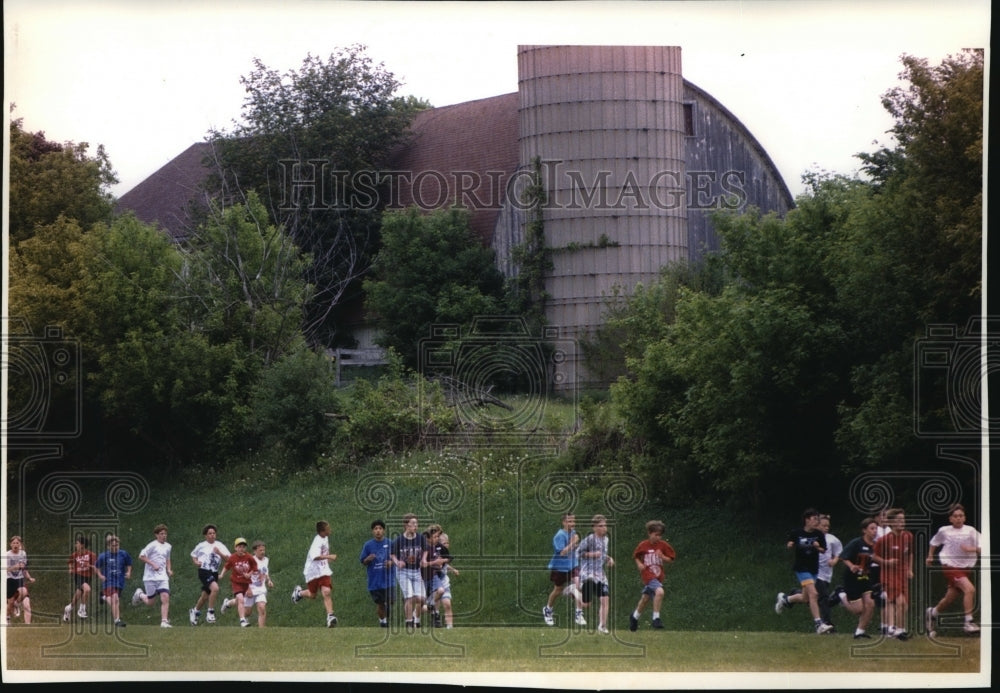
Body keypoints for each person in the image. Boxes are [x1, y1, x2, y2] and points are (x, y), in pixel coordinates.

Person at [925, 503, 981, 636]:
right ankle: (968, 622)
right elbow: (934, 542)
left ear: (965, 517)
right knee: (970, 589)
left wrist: (970, 549)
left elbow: (984, 546)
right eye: (955, 516)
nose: (958, 518)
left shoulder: (971, 531)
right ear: (950, 519)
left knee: (950, 598)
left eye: (961, 516)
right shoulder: (944, 530)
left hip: (965, 567)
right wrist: (930, 556)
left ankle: (932, 613)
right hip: (949, 566)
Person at [774, 508, 833, 634]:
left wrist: (818, 547)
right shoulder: (797, 532)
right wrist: (790, 545)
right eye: (814, 519)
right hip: (801, 568)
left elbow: (823, 550)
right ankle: (819, 624)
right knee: (814, 594)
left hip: (813, 568)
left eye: (818, 519)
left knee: (806, 597)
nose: (817, 521)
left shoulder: (819, 534)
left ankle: (785, 599)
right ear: (807, 520)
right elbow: (790, 542)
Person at [833, 517, 879, 639]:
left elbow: (875, 559)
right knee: (858, 610)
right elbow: (843, 556)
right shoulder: (856, 543)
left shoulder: (875, 545)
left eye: (876, 528)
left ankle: (860, 632)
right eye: (872, 528)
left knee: (870, 604)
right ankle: (841, 595)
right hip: (852, 579)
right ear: (864, 530)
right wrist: (852, 566)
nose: (875, 531)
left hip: (865, 578)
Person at [873, 507, 914, 640]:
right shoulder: (884, 540)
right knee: (900, 601)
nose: (902, 522)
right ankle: (898, 630)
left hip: (902, 574)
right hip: (888, 575)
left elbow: (910, 553)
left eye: (903, 519)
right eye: (898, 520)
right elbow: (874, 557)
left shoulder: (908, 536)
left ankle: (898, 630)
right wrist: (887, 562)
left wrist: (909, 569)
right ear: (891, 522)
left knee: (905, 604)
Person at [628, 519, 675, 631]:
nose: (658, 537)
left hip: (658, 575)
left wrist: (662, 557)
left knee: (645, 598)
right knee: (660, 592)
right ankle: (656, 618)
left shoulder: (663, 545)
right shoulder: (643, 545)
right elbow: (636, 556)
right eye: (656, 535)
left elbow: (671, 559)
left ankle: (634, 617)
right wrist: (639, 564)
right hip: (648, 575)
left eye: (660, 535)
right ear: (649, 533)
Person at [291, 520, 338, 627]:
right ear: (322, 531)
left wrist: (327, 560)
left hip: (323, 570)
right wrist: (329, 556)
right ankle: (299, 593)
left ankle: (330, 616)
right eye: (328, 529)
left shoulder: (325, 537)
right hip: (312, 571)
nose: (330, 530)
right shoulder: (317, 541)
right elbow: (315, 556)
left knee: (326, 591)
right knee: (312, 595)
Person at [543, 513, 586, 627]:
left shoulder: (573, 533)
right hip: (560, 566)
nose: (572, 524)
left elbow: (573, 549)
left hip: (573, 565)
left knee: (578, 585)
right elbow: (562, 553)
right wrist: (573, 543)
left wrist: (579, 547)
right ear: (564, 522)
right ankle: (548, 610)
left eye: (573, 521)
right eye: (569, 521)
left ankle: (579, 614)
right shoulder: (559, 535)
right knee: (557, 590)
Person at [391, 513, 430, 630]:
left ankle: (414, 615)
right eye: (413, 523)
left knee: (422, 598)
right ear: (406, 525)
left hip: (416, 571)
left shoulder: (420, 538)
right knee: (409, 596)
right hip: (403, 571)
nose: (415, 526)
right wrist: (397, 562)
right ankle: (409, 622)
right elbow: (392, 554)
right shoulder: (399, 540)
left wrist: (423, 559)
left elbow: (425, 550)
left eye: (416, 523)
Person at [578, 514, 614, 634]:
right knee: (586, 604)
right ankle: (574, 590)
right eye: (601, 526)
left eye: (605, 525)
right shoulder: (589, 540)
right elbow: (578, 553)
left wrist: (609, 559)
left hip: (600, 574)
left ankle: (602, 626)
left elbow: (602, 554)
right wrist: (591, 554)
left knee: (605, 599)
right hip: (588, 573)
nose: (604, 528)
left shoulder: (606, 540)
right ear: (594, 527)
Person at [132, 523, 174, 627]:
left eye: (165, 534)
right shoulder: (152, 545)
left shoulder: (168, 546)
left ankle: (164, 621)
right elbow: (141, 556)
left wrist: (169, 569)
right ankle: (140, 595)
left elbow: (168, 559)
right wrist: (153, 564)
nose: (164, 536)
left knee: (165, 597)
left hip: (162, 577)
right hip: (150, 577)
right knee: (150, 602)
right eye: (161, 534)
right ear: (156, 535)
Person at [189, 524, 230, 626]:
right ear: (205, 535)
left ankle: (195, 611)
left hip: (214, 572)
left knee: (205, 596)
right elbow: (193, 555)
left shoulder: (220, 545)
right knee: (215, 588)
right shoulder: (201, 545)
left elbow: (228, 560)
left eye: (214, 533)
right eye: (210, 533)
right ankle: (210, 612)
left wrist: (219, 553)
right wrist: (196, 562)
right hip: (204, 570)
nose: (212, 535)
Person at [359, 519, 395, 627]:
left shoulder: (390, 543)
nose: (378, 531)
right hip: (375, 581)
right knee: (380, 604)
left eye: (380, 528)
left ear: (383, 530)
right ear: (372, 531)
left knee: (391, 600)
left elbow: (397, 559)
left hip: (388, 579)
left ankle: (387, 607)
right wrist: (368, 559)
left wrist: (391, 562)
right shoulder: (368, 545)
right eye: (375, 529)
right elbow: (363, 561)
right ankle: (383, 622)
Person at [96, 534, 133, 628]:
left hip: (119, 581)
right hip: (108, 581)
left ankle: (104, 597)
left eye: (117, 545)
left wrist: (128, 572)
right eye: (113, 546)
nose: (115, 547)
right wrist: (100, 575)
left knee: (115, 600)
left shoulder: (123, 554)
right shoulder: (103, 556)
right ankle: (117, 620)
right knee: (115, 598)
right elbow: (96, 567)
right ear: (108, 546)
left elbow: (129, 563)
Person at [64, 535, 103, 622]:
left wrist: (89, 565)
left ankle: (68, 608)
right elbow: (70, 562)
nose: (75, 545)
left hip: (87, 577)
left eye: (77, 543)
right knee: (87, 589)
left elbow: (96, 567)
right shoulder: (75, 554)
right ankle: (82, 610)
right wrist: (70, 569)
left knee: (78, 595)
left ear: (82, 545)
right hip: (78, 575)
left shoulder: (91, 555)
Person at [219, 537, 257, 627]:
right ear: (235, 548)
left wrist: (249, 574)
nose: (241, 549)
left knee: (238, 601)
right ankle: (243, 620)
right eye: (239, 547)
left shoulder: (249, 557)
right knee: (241, 599)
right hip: (236, 582)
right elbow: (226, 566)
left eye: (243, 547)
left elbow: (254, 567)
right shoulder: (232, 557)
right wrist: (221, 574)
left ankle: (227, 603)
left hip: (245, 583)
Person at [816, 514, 842, 631]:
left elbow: (839, 553)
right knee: (824, 597)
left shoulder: (832, 539)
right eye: (824, 525)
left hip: (827, 574)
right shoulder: (812, 538)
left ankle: (790, 597)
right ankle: (827, 623)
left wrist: (834, 561)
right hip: (815, 573)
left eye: (828, 526)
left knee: (814, 599)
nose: (826, 528)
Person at [239, 540, 273, 627]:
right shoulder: (250, 560)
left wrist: (269, 580)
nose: (263, 552)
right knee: (247, 612)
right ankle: (229, 603)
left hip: (261, 589)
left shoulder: (266, 560)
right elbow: (244, 576)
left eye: (263, 550)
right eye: (260, 550)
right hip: (251, 589)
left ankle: (261, 632)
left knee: (262, 608)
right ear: (255, 551)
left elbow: (265, 572)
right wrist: (248, 589)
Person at [429, 532, 459, 628]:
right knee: (425, 607)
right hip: (434, 580)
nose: (446, 545)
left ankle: (449, 627)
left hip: (444, 581)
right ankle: (417, 616)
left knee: (447, 604)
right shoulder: (433, 552)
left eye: (447, 543)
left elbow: (446, 564)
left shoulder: (444, 553)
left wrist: (453, 570)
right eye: (443, 543)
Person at [6, 535, 35, 625]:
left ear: (20, 544)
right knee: (10, 602)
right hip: (10, 579)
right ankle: (7, 618)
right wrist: (16, 566)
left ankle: (16, 604)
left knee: (24, 591)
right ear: (10, 544)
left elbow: (24, 568)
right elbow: (6, 569)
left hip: (19, 578)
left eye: (17, 543)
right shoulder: (7, 554)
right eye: (13, 543)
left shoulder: (23, 554)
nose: (15, 544)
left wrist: (29, 577)